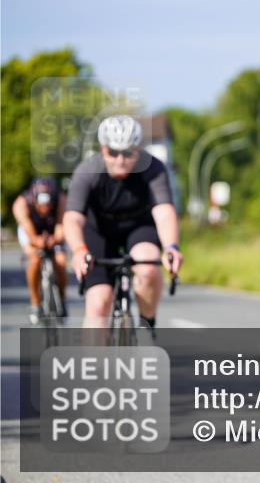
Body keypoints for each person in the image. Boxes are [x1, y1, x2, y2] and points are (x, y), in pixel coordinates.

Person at [62, 115, 183, 331]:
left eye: (127, 153)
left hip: (139, 227)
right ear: (103, 149)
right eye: (113, 152)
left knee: (148, 268)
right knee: (99, 302)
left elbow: (164, 212)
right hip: (99, 231)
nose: (120, 160)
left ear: (138, 150)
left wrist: (171, 248)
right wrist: (79, 250)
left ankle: (147, 324)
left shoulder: (153, 169)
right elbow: (72, 218)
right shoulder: (87, 171)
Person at [11, 177, 68, 323]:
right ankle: (35, 300)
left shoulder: (61, 200)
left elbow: (61, 225)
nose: (45, 208)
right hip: (31, 230)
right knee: (35, 259)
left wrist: (55, 239)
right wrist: (37, 241)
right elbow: (27, 228)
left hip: (53, 230)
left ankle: (62, 299)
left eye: (48, 204)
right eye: (41, 204)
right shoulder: (22, 203)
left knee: (61, 261)